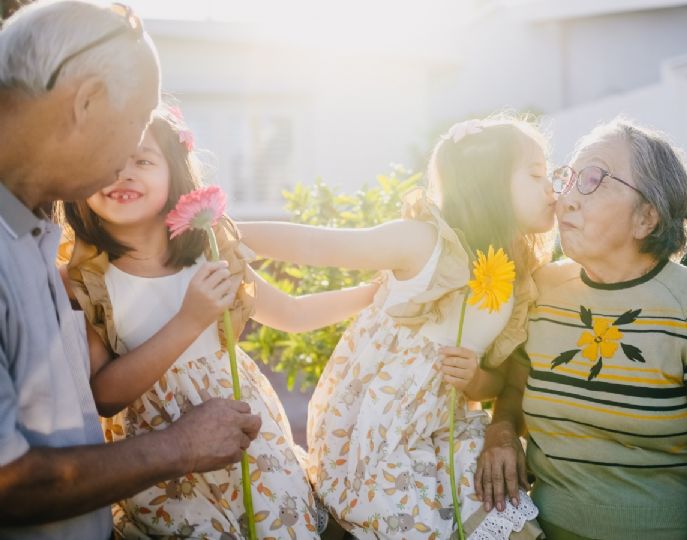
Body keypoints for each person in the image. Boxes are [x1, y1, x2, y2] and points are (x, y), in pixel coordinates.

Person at [58, 103, 380, 537]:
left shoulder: (210, 250)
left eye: (143, 160)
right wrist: (190, 320)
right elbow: (104, 396)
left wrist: (372, 295)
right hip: (164, 465)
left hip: (248, 439)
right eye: (108, 160)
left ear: (174, 172)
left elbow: (293, 309)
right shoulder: (85, 280)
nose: (124, 172)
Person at [0, 2, 259, 538]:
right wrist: (180, 446)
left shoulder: (33, 234)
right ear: (86, 101)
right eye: (136, 125)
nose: (126, 160)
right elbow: (9, 482)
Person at [238, 117, 556, 539]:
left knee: (503, 516)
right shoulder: (426, 243)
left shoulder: (518, 276)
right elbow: (322, 245)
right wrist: (233, 233)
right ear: (489, 185)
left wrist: (476, 377)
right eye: (536, 174)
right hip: (380, 437)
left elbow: (490, 385)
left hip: (447, 426)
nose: (551, 186)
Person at [475, 119, 687, 539]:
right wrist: (501, 431)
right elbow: (516, 389)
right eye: (568, 179)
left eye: (592, 179)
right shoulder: (543, 289)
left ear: (646, 217)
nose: (566, 199)